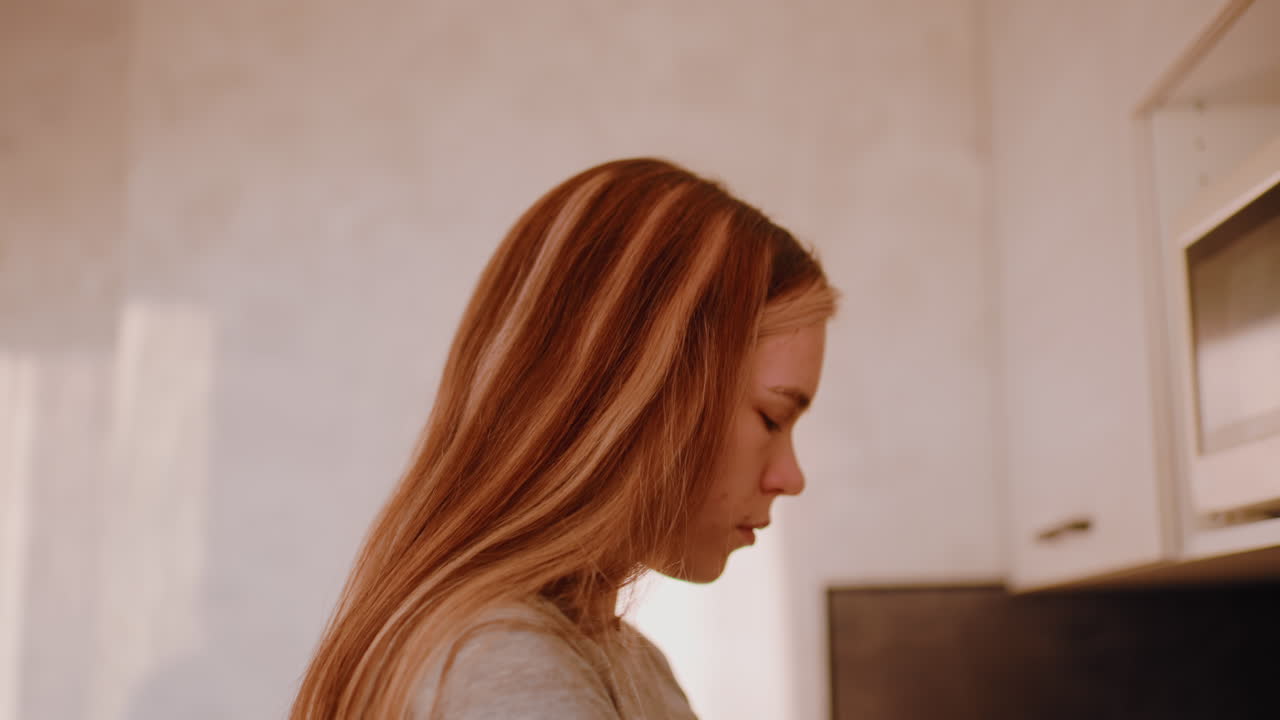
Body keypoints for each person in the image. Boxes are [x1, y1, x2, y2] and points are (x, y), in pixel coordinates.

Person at [290, 158, 838, 719]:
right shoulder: (505, 670)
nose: (788, 477)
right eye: (772, 418)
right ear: (640, 394)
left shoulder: (619, 660)